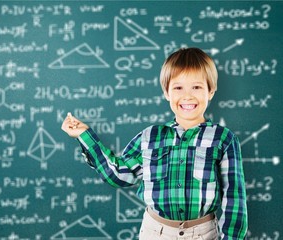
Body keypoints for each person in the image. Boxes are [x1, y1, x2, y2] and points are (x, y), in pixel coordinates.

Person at [61, 48, 248, 239]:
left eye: (197, 87)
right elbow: (118, 174)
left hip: (204, 233)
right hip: (155, 232)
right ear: (166, 93)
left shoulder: (223, 139)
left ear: (211, 91)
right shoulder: (150, 137)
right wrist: (84, 135)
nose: (188, 96)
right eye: (178, 88)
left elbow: (234, 199)